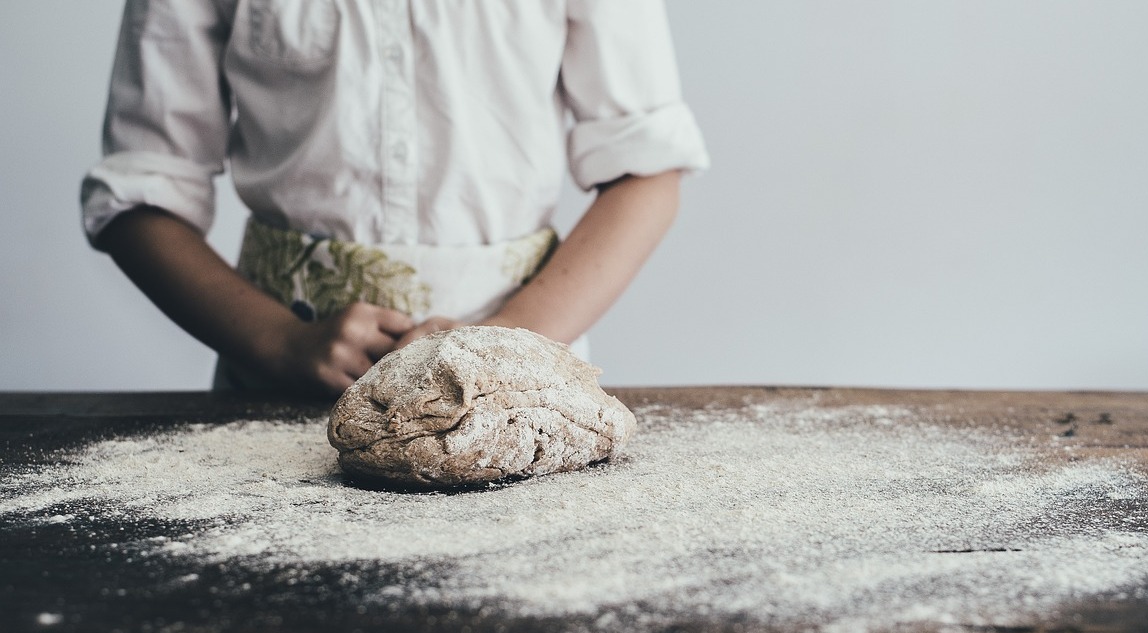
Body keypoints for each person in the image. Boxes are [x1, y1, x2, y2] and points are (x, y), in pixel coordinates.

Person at [82, 0, 709, 395]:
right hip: (278, 388)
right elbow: (140, 192)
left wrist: (502, 345)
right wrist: (276, 341)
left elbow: (646, 172)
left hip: (522, 384)